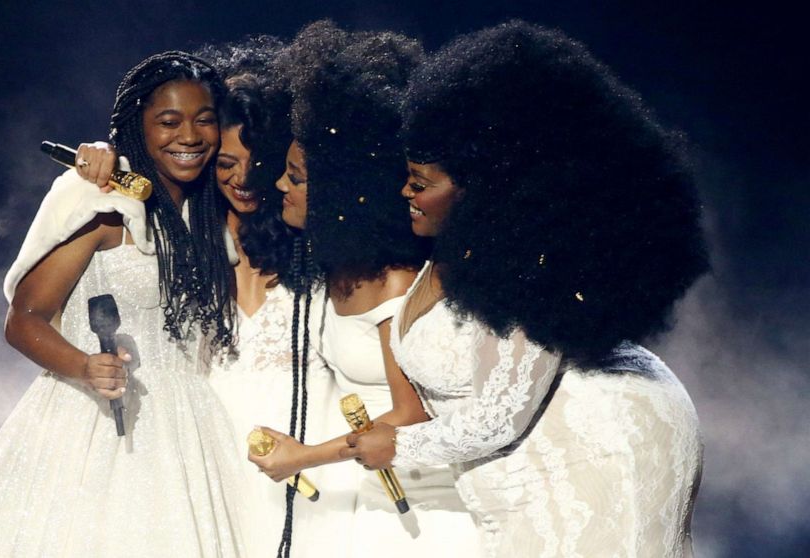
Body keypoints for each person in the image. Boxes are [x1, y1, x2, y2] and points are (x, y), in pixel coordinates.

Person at [344, 21, 707, 556]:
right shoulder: (454, 252)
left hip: (606, 445)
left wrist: (398, 445)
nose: (406, 191)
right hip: (523, 469)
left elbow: (501, 413)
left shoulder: (532, 267)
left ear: (479, 193)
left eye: (421, 183)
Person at [0, 52, 246, 557]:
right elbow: (22, 319)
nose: (189, 136)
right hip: (92, 421)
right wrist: (84, 367)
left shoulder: (211, 213)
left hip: (193, 431)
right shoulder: (100, 199)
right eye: (168, 121)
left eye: (204, 120)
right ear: (137, 127)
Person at [74, 37, 359, 558]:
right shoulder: (182, 236)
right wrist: (103, 157)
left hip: (310, 449)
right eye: (226, 162)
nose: (242, 178)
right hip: (208, 452)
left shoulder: (315, 244)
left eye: (256, 162)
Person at [250, 22, 481, 556]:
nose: (281, 185)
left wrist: (301, 457)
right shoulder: (335, 266)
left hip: (417, 505)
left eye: (296, 177)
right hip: (361, 489)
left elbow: (412, 415)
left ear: (340, 192)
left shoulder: (394, 285)